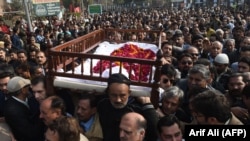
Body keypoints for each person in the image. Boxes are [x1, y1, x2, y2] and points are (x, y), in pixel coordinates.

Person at [97, 73, 158, 141]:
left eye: (122, 95)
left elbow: (155, 132)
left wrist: (147, 105)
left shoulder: (137, 109)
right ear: (108, 92)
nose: (118, 100)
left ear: (129, 93)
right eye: (114, 95)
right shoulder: (102, 104)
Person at [4, 76, 44, 141]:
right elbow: (31, 134)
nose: (29, 87)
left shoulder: (27, 98)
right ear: (23, 90)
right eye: (27, 86)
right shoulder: (13, 111)